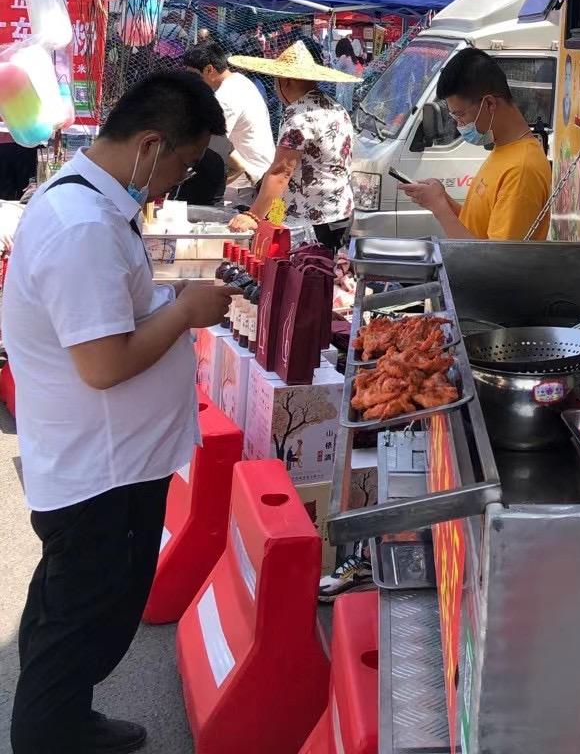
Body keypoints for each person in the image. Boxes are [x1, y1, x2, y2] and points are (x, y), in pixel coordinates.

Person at [3, 71, 231, 754]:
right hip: (97, 471)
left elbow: (110, 323)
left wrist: (167, 306)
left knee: (74, 615)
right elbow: (103, 365)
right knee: (82, 622)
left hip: (108, 463)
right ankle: (49, 734)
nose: (175, 184)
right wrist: (186, 312)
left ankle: (67, 719)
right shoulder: (81, 226)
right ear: (150, 144)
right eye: (183, 166)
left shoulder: (92, 207)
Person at [402, 48, 551, 241]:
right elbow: (477, 228)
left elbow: (493, 262)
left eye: (461, 115)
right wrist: (441, 199)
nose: (458, 124)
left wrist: (440, 209)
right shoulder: (504, 150)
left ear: (489, 104)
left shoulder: (522, 169)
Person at [227, 39, 359, 252]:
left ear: (284, 81)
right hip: (338, 212)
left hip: (312, 222)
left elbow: (282, 172)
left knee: (305, 278)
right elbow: (290, 179)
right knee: (327, 275)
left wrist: (253, 216)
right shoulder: (336, 108)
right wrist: (271, 221)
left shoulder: (298, 115)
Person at [182, 40, 275, 188]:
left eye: (193, 75)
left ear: (209, 70)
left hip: (249, 182)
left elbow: (210, 141)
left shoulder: (226, 97)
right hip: (258, 173)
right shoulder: (239, 80)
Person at [333, 36, 358, 116]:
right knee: (347, 107)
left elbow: (336, 70)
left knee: (341, 108)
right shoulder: (352, 58)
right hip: (350, 86)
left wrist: (332, 63)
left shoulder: (344, 57)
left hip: (342, 86)